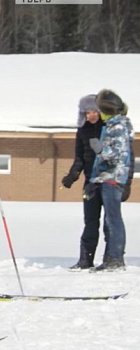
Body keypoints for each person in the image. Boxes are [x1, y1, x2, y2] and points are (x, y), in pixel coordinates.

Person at [84, 89, 134, 272]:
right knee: (110, 219)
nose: (99, 113)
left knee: (113, 219)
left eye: (101, 109)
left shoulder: (119, 126)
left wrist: (99, 150)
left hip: (113, 179)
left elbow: (117, 155)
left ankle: (115, 258)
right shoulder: (112, 125)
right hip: (106, 178)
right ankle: (110, 258)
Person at [60, 94, 106, 270]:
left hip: (108, 182)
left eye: (94, 111)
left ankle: (110, 259)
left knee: (110, 223)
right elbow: (79, 157)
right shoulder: (82, 131)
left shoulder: (108, 128)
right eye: (87, 112)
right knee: (90, 221)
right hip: (90, 182)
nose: (91, 115)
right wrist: (72, 176)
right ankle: (85, 260)